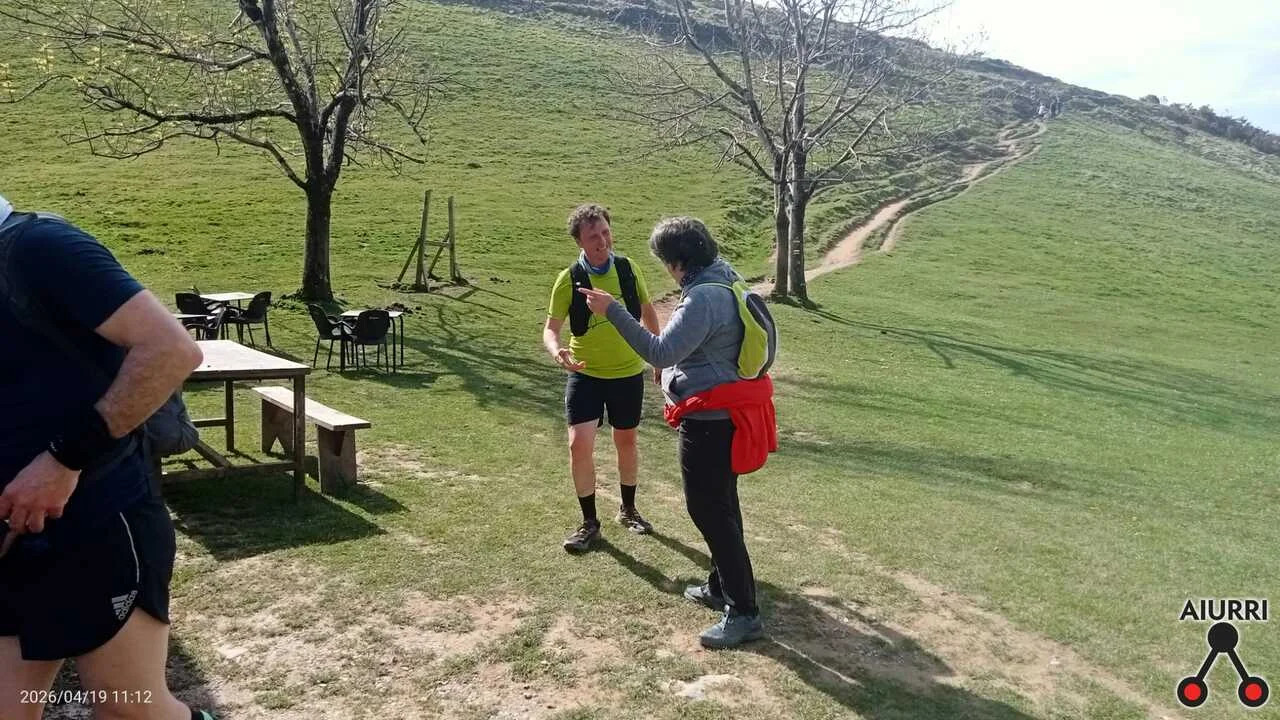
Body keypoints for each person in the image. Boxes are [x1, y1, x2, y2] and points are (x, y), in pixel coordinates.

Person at [0, 193, 214, 720]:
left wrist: (63, 459)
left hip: (99, 519)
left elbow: (172, 350)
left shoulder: (40, 247)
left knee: (127, 707)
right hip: (13, 532)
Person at [578, 216, 774, 649]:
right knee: (723, 505)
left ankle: (744, 611)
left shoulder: (703, 297)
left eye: (665, 260)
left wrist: (612, 311)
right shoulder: (723, 276)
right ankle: (722, 586)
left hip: (710, 422)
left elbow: (660, 351)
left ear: (677, 261)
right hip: (724, 416)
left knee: (709, 510)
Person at [543, 203, 661, 553]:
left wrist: (659, 357)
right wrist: (557, 351)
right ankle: (589, 523)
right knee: (578, 445)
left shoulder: (628, 269)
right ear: (579, 241)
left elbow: (648, 310)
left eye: (606, 232)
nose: (602, 241)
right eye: (593, 236)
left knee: (626, 441)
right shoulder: (569, 279)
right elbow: (550, 329)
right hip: (586, 374)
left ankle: (629, 509)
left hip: (627, 372)